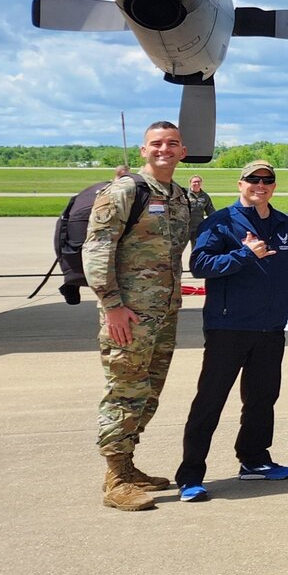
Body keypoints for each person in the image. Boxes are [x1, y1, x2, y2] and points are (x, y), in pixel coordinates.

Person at [85, 119, 197, 511]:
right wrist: (111, 305)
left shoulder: (180, 197)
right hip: (128, 315)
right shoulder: (124, 191)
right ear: (143, 150)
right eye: (157, 143)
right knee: (124, 391)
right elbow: (98, 248)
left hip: (163, 313)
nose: (164, 149)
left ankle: (128, 465)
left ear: (183, 151)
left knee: (147, 392)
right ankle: (115, 478)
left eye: (172, 143)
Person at [176, 159, 288, 500]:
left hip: (270, 329)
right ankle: (190, 475)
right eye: (253, 180)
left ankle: (254, 460)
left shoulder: (283, 224)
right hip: (228, 328)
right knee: (210, 400)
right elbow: (199, 265)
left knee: (262, 399)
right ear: (240, 183)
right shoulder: (220, 222)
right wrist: (244, 255)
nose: (260, 185)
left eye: (267, 180)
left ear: (274, 186)